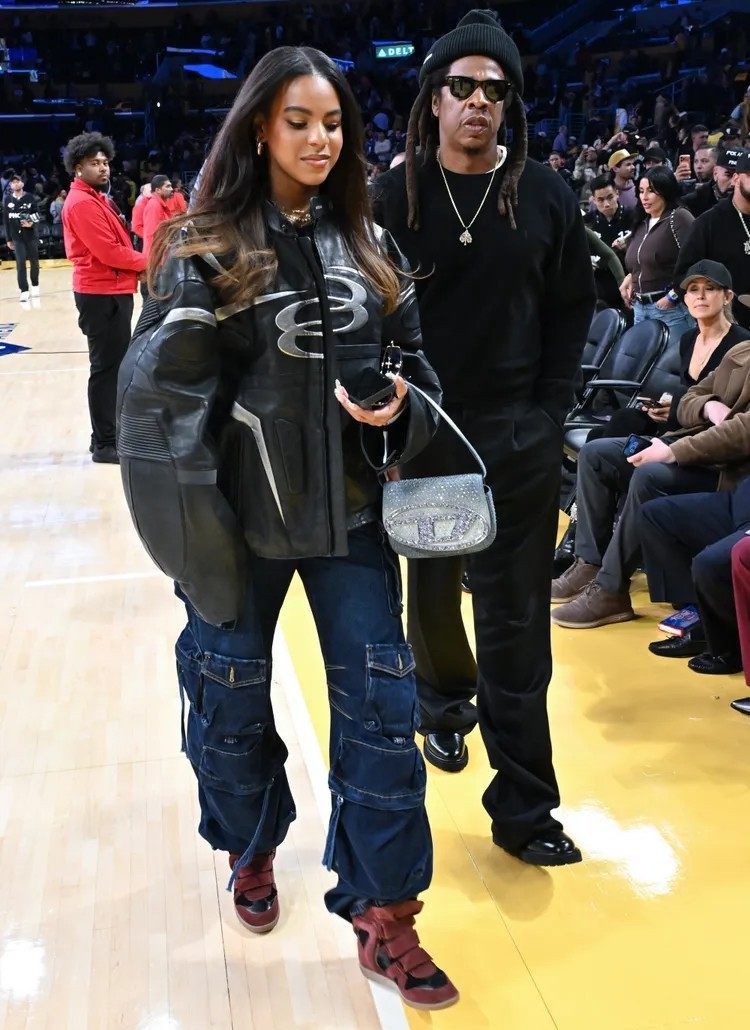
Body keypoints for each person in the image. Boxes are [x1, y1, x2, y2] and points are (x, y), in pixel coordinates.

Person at [116, 46, 458, 1010]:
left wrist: (399, 409)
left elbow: (422, 376)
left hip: (352, 524)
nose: (320, 139)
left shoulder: (371, 244)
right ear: (259, 127)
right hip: (235, 530)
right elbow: (159, 410)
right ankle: (252, 847)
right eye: (299, 121)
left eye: (335, 123)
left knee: (384, 721)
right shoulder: (200, 247)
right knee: (226, 713)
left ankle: (387, 915)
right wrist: (194, 541)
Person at [371, 10, 595, 865]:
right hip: (427, 434)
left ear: (510, 105)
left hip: (517, 438)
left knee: (517, 627)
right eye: (461, 86)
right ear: (433, 99)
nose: (478, 102)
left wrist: (546, 415)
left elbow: (572, 310)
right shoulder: (392, 198)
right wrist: (388, 426)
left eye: (495, 91)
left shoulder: (545, 194)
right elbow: (365, 317)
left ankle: (525, 809)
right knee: (430, 595)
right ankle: (442, 705)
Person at [552, 260, 749, 629]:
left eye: (709, 289)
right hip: (685, 438)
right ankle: (588, 563)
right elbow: (692, 397)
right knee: (596, 453)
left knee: (648, 473)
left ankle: (611, 589)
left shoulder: (740, 346)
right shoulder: (701, 343)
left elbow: (737, 431)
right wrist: (701, 406)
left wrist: (676, 439)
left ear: (728, 297)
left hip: (719, 463)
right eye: (693, 289)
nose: (700, 296)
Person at [61, 131, 147, 465]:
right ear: (77, 168)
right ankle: (104, 443)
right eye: (94, 163)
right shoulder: (83, 203)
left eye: (105, 162)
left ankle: (105, 435)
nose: (102, 168)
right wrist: (150, 262)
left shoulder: (96, 198)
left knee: (111, 367)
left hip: (110, 290)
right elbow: (109, 252)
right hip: (100, 293)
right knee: (106, 370)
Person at [639, 476, 750, 676]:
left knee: (709, 563)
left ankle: (729, 648)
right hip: (742, 497)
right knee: (655, 514)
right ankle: (702, 625)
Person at [619, 166, 695, 345]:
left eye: (651, 191)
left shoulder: (679, 217)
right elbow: (641, 261)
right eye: (641, 191)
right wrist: (631, 277)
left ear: (665, 191)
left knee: (675, 361)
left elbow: (696, 260)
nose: (644, 197)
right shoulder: (641, 222)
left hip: (670, 309)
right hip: (639, 308)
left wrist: (674, 295)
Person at [675, 150, 750, 330]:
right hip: (726, 328)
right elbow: (683, 277)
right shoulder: (708, 223)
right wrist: (715, 316)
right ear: (736, 179)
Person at [3, 172, 41, 302]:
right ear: (10, 185)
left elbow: (37, 214)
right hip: (16, 238)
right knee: (20, 263)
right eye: (13, 182)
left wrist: (31, 223)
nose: (15, 183)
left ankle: (35, 285)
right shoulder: (7, 200)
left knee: (34, 262)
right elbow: (6, 221)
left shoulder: (30, 197)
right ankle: (24, 290)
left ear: (22, 183)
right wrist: (8, 239)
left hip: (30, 236)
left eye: (17, 181)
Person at [682, 147, 737, 217]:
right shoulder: (690, 203)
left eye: (739, 177)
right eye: (728, 175)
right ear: (715, 173)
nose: (733, 183)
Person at [585, 173, 633, 249]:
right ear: (594, 200)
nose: (606, 204)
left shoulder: (633, 216)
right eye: (600, 200)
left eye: (610, 198)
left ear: (617, 194)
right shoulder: (587, 222)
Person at [141, 173, 174, 259]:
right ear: (158, 190)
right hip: (156, 257)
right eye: (168, 186)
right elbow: (152, 235)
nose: (171, 189)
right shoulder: (154, 205)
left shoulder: (158, 204)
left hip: (159, 255)